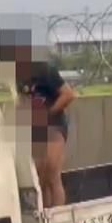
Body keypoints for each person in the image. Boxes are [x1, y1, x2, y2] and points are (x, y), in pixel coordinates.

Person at [10, 42, 77, 208]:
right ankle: (46, 216)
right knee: (41, 177)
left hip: (54, 126)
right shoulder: (19, 77)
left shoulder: (45, 71)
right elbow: (23, 100)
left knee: (53, 173)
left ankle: (58, 217)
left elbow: (68, 95)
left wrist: (48, 114)